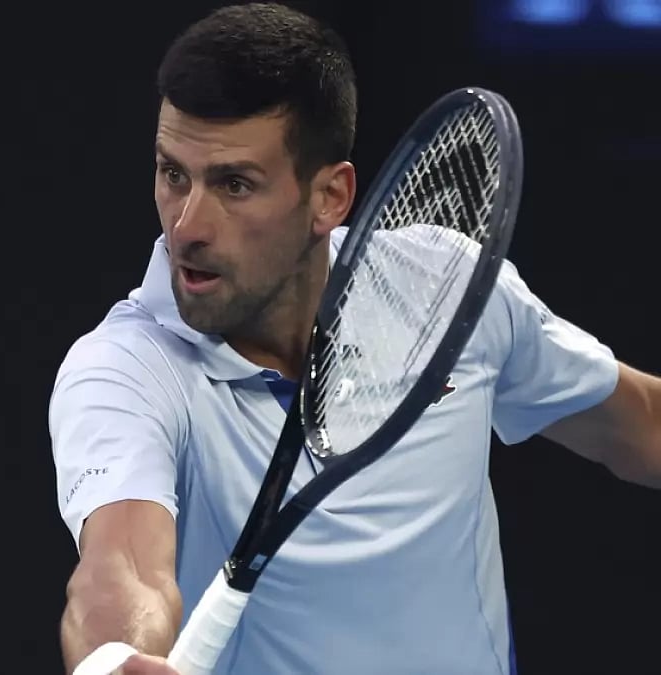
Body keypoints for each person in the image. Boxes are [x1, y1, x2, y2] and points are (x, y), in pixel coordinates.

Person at [48, 3, 661, 673]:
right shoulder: (124, 369)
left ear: (330, 197)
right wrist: (114, 660)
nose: (188, 225)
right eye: (174, 174)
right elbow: (122, 566)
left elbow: (642, 430)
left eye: (235, 184)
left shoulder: (443, 291)